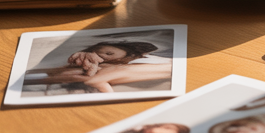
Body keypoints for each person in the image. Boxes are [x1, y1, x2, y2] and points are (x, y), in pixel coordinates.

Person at [25, 41, 171, 94]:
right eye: (100, 53)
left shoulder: (139, 59)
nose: (105, 56)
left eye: (109, 53)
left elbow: (95, 80)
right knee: (67, 73)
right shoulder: (99, 65)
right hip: (95, 75)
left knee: (76, 75)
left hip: (99, 76)